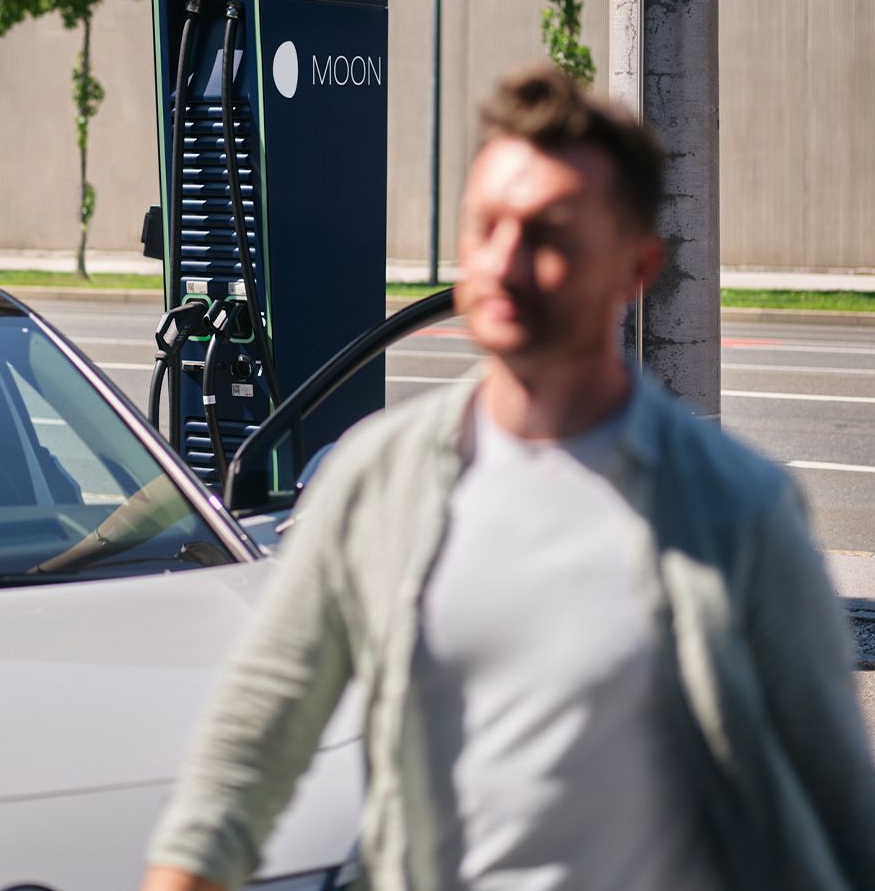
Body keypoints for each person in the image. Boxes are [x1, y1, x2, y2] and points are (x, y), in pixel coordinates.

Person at [142, 65, 875, 891]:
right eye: (486, 226)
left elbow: (840, 807)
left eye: (549, 235)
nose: (506, 263)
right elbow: (247, 749)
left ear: (637, 266)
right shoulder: (377, 481)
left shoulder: (735, 509)